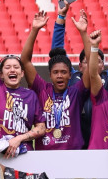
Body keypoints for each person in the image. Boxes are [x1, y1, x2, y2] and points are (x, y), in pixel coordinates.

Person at [52, 0, 108, 148]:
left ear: (103, 65)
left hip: (104, 141)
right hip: (73, 140)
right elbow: (56, 54)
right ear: (79, 66)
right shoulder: (71, 78)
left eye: (97, 60)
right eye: (87, 61)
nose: (92, 64)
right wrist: (61, 17)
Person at [0, 0, 45, 157]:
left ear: (22, 73)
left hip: (24, 156)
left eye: (16, 67)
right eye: (7, 67)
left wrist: (21, 138)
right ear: (1, 74)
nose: (12, 70)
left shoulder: (31, 95)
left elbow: (41, 127)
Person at [21, 9, 91, 150]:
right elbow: (25, 61)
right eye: (56, 72)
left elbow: (90, 63)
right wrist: (34, 30)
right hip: (46, 154)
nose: (59, 75)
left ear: (70, 75)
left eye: (64, 72)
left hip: (73, 154)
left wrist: (83, 33)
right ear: (50, 75)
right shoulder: (42, 89)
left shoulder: (77, 92)